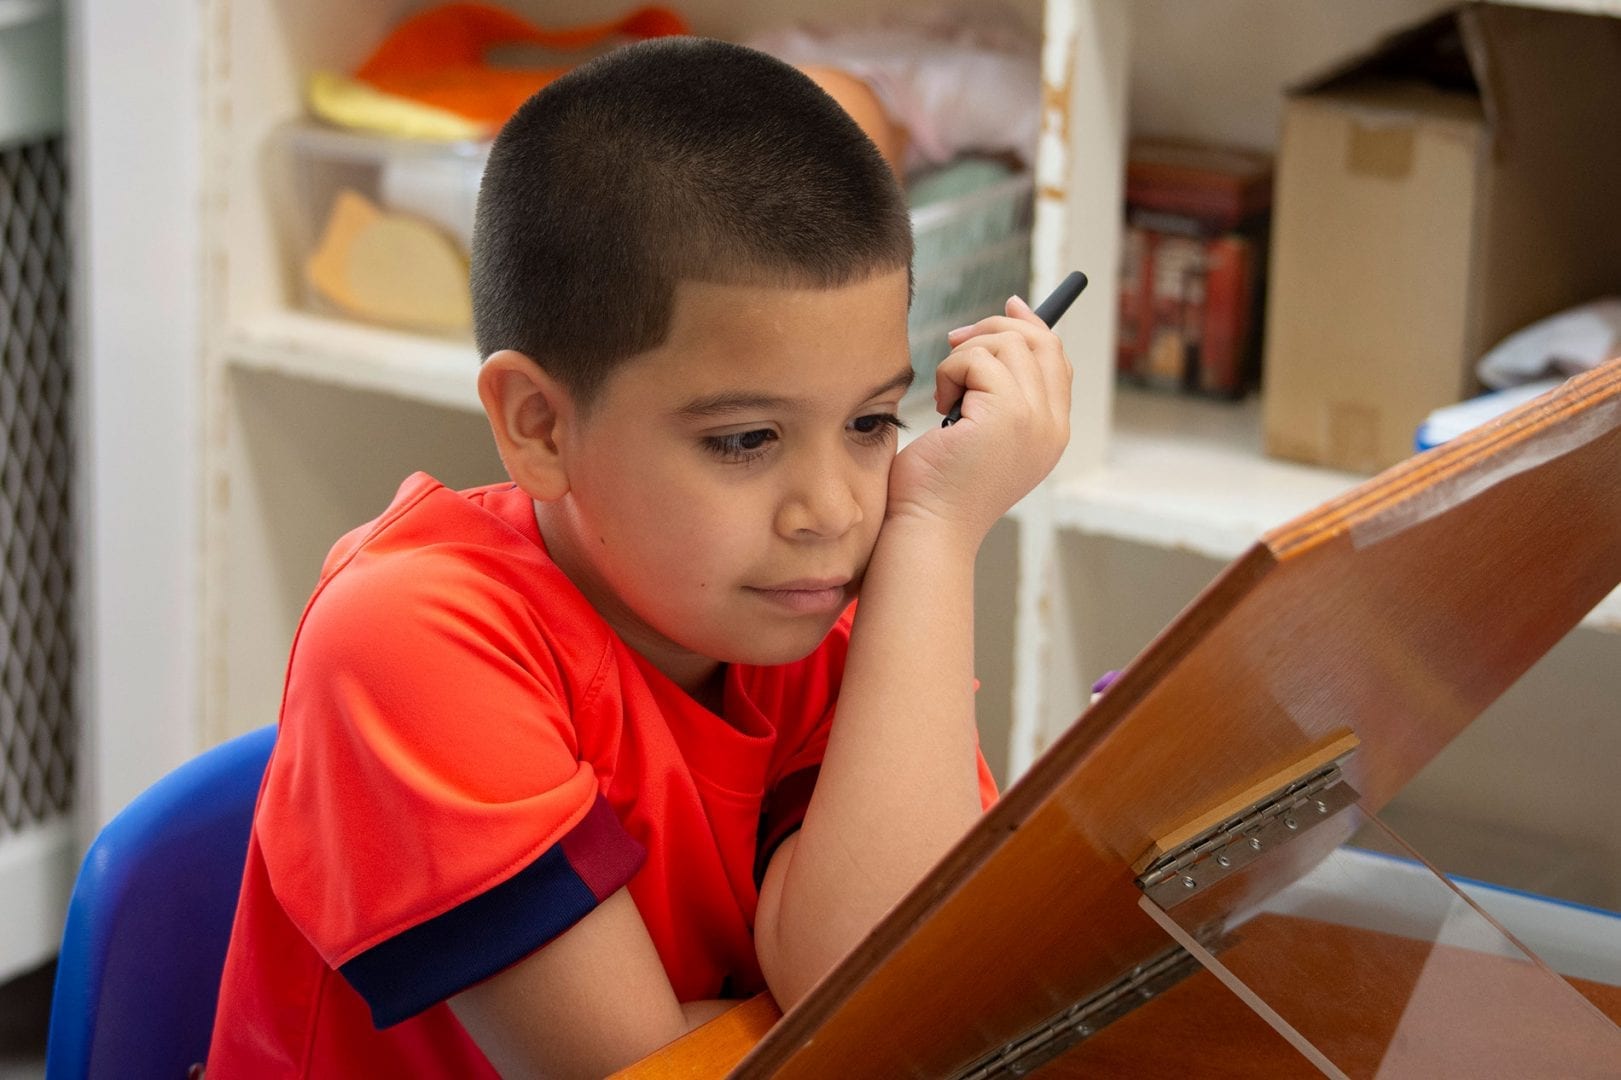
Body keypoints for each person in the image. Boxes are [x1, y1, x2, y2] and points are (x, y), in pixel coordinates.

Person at [207, 36, 1070, 1078]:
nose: (833, 512)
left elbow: (877, 978)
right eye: (746, 440)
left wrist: (935, 532)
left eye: (872, 423)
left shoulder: (807, 606)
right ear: (538, 426)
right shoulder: (405, 637)